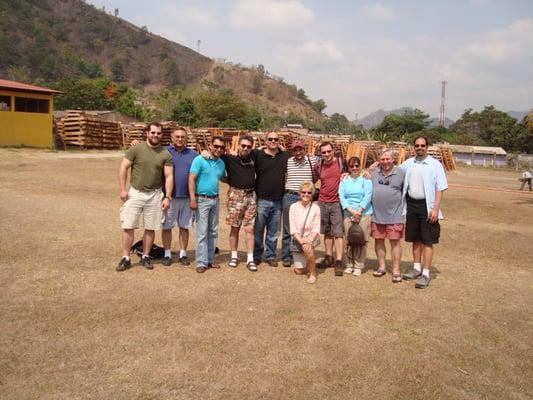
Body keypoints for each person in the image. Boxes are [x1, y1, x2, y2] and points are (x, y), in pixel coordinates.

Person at [117, 122, 173, 271]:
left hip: (155, 195)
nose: (156, 135)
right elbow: (123, 167)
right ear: (147, 133)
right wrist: (123, 189)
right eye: (153, 132)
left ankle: (146, 256)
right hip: (135, 193)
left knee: (151, 227)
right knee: (128, 226)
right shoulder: (136, 148)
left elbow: (169, 176)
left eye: (158, 133)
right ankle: (126, 257)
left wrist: (167, 197)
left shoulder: (165, 154)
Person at [401, 136, 448, 288]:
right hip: (411, 205)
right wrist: (372, 169)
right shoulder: (409, 163)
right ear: (413, 147)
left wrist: (435, 208)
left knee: (427, 240)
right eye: (417, 145)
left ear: (427, 147)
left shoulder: (435, 165)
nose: (419, 148)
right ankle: (416, 268)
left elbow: (440, 187)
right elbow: (393, 172)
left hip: (427, 206)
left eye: (422, 145)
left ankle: (426, 272)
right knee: (415, 239)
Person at [188, 136, 226, 273]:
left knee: (213, 231)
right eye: (216, 146)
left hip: (215, 200)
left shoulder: (221, 163)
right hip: (201, 200)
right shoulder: (199, 160)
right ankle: (201, 262)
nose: (218, 149)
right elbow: (191, 178)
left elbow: (223, 178)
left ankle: (209, 260)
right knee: (202, 232)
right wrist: (192, 199)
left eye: (221, 147)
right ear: (210, 146)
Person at [252, 131, 290, 267]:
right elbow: (243, 155)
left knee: (273, 232)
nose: (273, 141)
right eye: (270, 139)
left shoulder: (285, 156)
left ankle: (271, 255)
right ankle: (257, 255)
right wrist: (258, 148)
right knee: (258, 230)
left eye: (276, 139)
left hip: (278, 200)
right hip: (261, 199)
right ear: (265, 141)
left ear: (279, 141)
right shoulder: (258, 155)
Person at [221, 135, 258, 271]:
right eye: (243, 146)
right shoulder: (230, 159)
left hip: (251, 196)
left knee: (249, 229)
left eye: (248, 146)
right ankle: (234, 256)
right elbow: (214, 155)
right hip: (235, 196)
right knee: (235, 228)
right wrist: (206, 153)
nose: (245, 148)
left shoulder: (255, 159)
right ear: (239, 146)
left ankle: (250, 259)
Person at [161, 128, 197, 266]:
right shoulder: (164, 152)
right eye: (177, 136)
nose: (180, 139)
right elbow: (148, 147)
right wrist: (135, 143)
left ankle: (183, 254)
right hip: (169, 197)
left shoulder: (193, 154)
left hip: (187, 197)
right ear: (172, 137)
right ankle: (167, 253)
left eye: (183, 136)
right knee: (167, 226)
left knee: (184, 226)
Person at [370, 149, 405, 283]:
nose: (385, 162)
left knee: (395, 243)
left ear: (393, 159)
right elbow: (360, 175)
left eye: (388, 159)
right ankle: (382, 266)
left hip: (395, 215)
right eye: (382, 159)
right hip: (377, 215)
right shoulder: (374, 172)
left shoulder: (401, 173)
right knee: (379, 241)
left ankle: (396, 270)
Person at [281, 139, 318, 267]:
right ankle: (286, 256)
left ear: (304, 150)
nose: (298, 152)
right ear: (292, 151)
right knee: (288, 228)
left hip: (306, 196)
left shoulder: (312, 160)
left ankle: (303, 253)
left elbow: (328, 164)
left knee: (306, 226)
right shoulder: (288, 161)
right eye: (295, 150)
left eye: (300, 149)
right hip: (290, 196)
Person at [314, 141, 346, 276]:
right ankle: (328, 257)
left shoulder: (341, 163)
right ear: (321, 153)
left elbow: (356, 172)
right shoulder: (319, 165)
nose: (326, 154)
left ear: (333, 151)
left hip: (337, 202)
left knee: (338, 233)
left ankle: (338, 260)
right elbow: (313, 180)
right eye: (324, 152)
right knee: (327, 231)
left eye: (329, 151)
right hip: (323, 202)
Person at [338, 156, 373, 276]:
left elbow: (368, 195)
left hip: (364, 213)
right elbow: (341, 196)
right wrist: (351, 211)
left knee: (361, 240)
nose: (354, 168)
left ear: (360, 166)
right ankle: (349, 263)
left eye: (357, 165)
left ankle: (358, 265)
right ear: (348, 167)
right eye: (352, 166)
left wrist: (359, 211)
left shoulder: (365, 179)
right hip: (349, 212)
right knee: (349, 239)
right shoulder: (344, 180)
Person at [289, 181, 321, 284]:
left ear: (312, 194)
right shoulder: (293, 207)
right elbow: (293, 229)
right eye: (304, 192)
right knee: (299, 271)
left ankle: (312, 273)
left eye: (309, 192)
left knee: (308, 250)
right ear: (299, 193)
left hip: (310, 237)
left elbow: (316, 228)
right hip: (298, 239)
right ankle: (307, 264)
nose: (306, 195)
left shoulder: (316, 208)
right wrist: (301, 241)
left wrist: (308, 241)